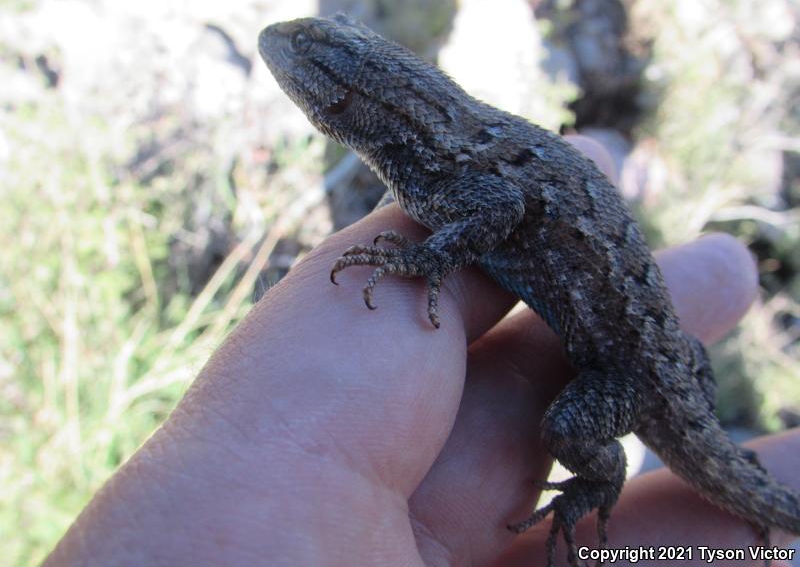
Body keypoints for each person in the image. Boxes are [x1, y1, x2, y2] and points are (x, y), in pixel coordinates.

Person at [45, 138, 798, 566]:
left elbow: (501, 206)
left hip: (635, 376)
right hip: (656, 356)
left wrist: (428, 258)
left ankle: (599, 484)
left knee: (570, 430)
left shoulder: (438, 163)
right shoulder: (433, 149)